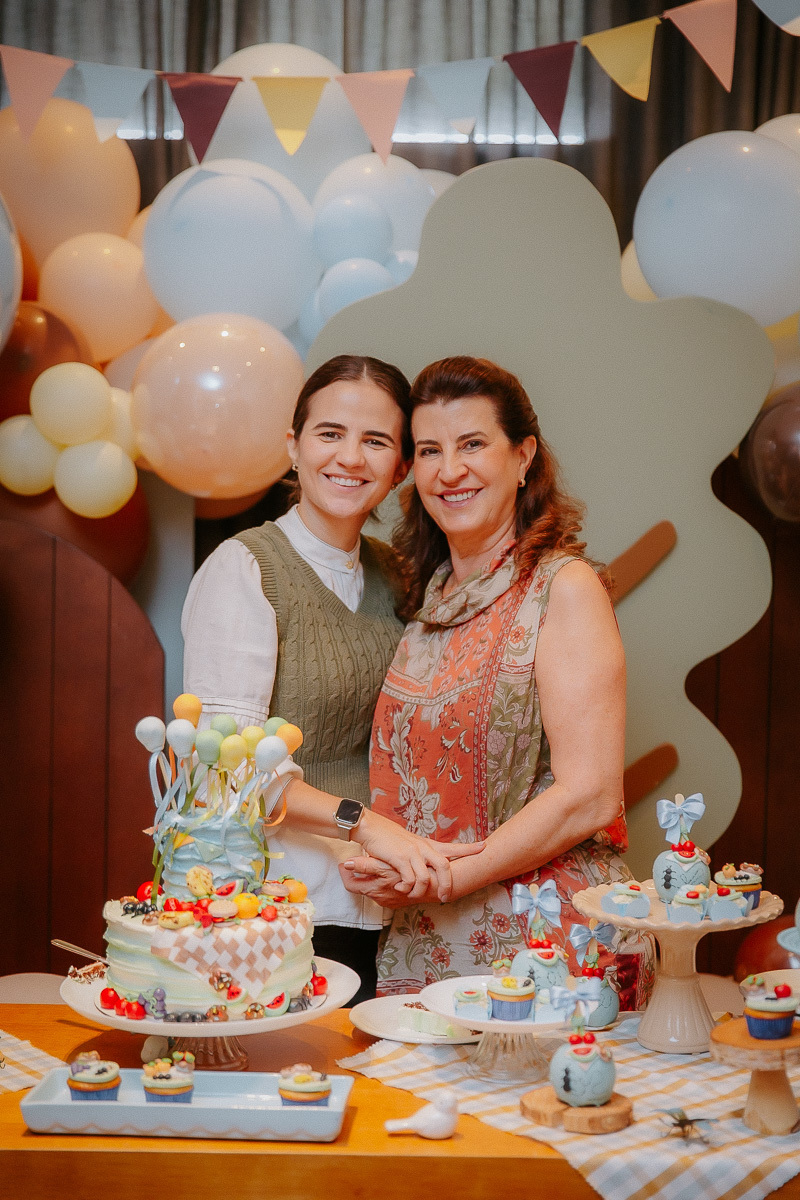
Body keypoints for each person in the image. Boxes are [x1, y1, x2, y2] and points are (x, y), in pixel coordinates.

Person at [341, 356, 654, 1007]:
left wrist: (447, 879)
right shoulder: (429, 598)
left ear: (523, 456)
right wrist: (394, 870)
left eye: (472, 444)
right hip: (428, 940)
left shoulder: (563, 588)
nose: (449, 470)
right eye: (430, 451)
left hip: (549, 942)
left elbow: (590, 795)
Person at [182, 354, 481, 1001]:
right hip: (274, 904)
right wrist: (363, 822)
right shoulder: (244, 570)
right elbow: (226, 771)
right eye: (330, 434)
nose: (350, 457)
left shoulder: (398, 573)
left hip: (385, 901)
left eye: (375, 440)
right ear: (293, 447)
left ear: (401, 467)